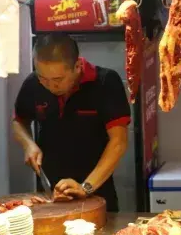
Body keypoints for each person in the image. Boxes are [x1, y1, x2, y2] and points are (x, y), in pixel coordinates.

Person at [12, 33, 130, 211]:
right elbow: (19, 122)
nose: (50, 86)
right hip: (49, 193)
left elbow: (118, 142)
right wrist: (28, 144)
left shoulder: (105, 82)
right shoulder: (33, 84)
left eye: (58, 79)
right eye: (43, 78)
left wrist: (85, 187)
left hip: (96, 189)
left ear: (77, 66)